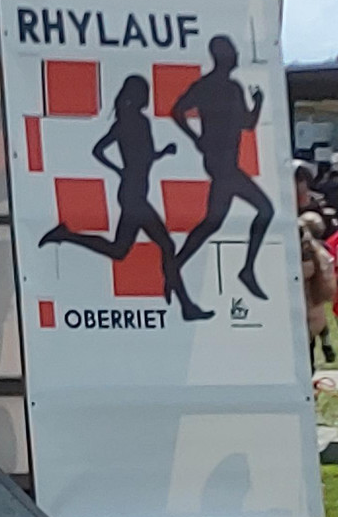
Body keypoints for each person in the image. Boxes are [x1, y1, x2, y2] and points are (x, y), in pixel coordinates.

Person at [41, 75, 213, 321]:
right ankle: (185, 304)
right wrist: (120, 169)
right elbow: (100, 150)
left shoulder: (136, 122)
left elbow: (143, 157)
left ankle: (66, 235)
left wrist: (162, 153)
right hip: (133, 195)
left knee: (120, 250)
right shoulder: (131, 122)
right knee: (166, 245)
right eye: (144, 92)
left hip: (135, 192)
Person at [171, 35, 275, 301]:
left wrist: (258, 103)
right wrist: (196, 138)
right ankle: (246, 270)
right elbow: (178, 110)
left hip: (226, 161)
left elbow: (247, 124)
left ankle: (175, 265)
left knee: (213, 222)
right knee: (264, 209)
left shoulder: (231, 88)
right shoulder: (209, 86)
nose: (237, 56)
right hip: (221, 164)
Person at [301, 212, 337, 368]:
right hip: (315, 299)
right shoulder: (323, 249)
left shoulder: (311, 251)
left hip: (309, 296)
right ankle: (326, 342)